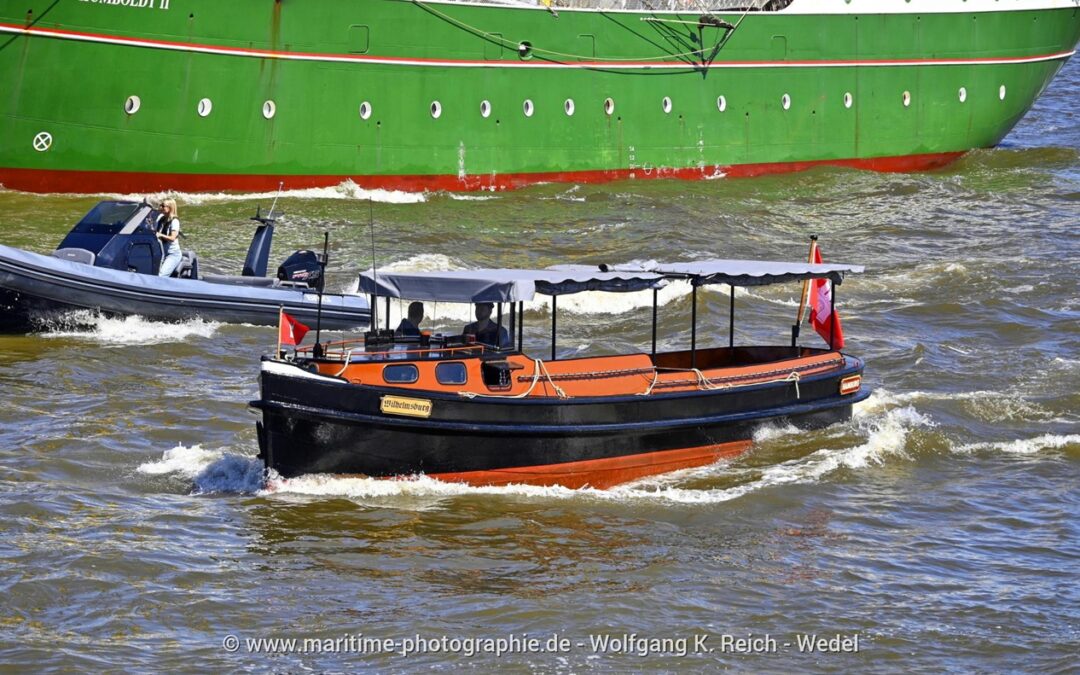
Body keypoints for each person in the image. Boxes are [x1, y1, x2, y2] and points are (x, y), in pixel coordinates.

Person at [155, 198, 182, 277]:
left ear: (170, 208)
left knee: (161, 275)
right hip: (161, 252)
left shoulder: (175, 221)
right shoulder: (161, 218)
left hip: (172, 254)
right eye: (161, 205)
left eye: (163, 206)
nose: (161, 208)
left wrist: (160, 235)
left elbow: (173, 238)